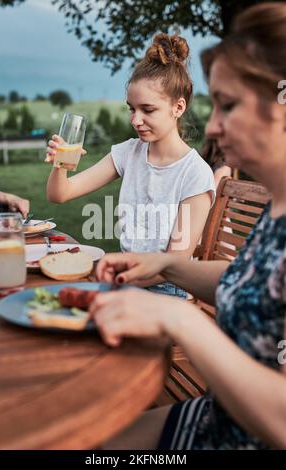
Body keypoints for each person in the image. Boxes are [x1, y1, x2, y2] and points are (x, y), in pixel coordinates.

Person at [89, 2, 286, 449]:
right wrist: (161, 264)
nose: (212, 127)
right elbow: (247, 281)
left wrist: (179, 318)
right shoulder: (279, 209)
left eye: (228, 105)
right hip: (217, 416)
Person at [45, 33, 215, 298]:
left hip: (167, 291)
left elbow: (175, 264)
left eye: (147, 110)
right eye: (131, 109)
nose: (136, 120)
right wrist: (61, 163)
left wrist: (117, 281)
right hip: (126, 282)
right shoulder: (128, 153)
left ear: (178, 107)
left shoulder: (195, 174)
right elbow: (59, 194)